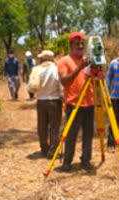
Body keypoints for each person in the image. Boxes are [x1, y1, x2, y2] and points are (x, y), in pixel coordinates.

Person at [57, 31, 94, 172]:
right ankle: (67, 162)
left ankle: (86, 160)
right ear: (70, 45)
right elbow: (65, 81)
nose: (79, 46)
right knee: (71, 134)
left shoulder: (88, 60)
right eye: (77, 44)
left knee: (88, 135)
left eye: (82, 44)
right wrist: (79, 68)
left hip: (89, 102)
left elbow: (95, 80)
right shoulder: (64, 61)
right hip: (74, 103)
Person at [28, 50, 63, 159]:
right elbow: (61, 87)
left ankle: (44, 148)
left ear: (42, 59)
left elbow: (30, 87)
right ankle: (53, 151)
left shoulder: (36, 70)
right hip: (54, 101)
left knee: (42, 126)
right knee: (54, 127)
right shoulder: (56, 70)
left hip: (41, 101)